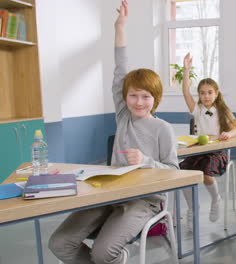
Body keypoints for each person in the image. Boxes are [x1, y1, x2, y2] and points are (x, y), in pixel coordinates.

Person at [48, 1, 179, 263]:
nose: (138, 102)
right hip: (108, 193)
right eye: (133, 96)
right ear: (125, 97)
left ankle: (112, 259)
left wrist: (146, 162)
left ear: (156, 98)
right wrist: (120, 28)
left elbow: (175, 173)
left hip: (144, 201)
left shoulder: (163, 129)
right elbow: (121, 71)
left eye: (145, 96)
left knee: (103, 251)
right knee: (59, 243)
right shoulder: (123, 116)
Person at [179, 53, 236, 230]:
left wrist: (229, 134)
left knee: (206, 175)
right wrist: (186, 71)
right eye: (202, 93)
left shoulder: (222, 109)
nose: (206, 96)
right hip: (198, 150)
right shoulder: (197, 109)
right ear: (199, 95)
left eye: (210, 92)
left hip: (217, 152)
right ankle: (192, 209)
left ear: (216, 93)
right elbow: (185, 92)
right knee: (183, 174)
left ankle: (216, 198)